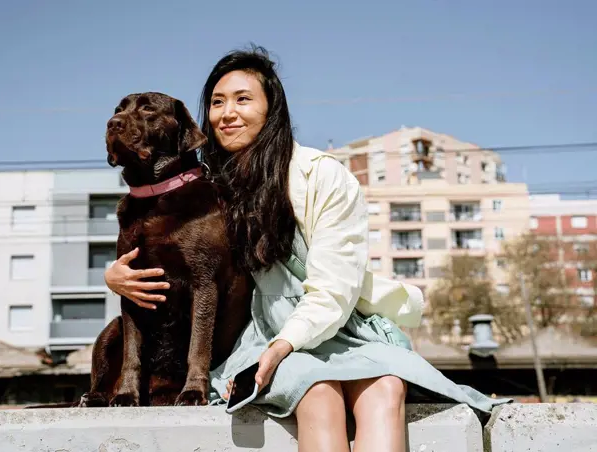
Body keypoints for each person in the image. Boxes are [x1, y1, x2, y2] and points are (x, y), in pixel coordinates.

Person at [105, 46, 508, 452]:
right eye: (217, 102)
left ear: (271, 109)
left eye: (243, 99)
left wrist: (286, 344)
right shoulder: (203, 184)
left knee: (385, 387)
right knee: (317, 391)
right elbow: (168, 245)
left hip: (337, 325)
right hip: (260, 333)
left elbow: (335, 286)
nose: (227, 113)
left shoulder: (323, 175)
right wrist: (113, 276)